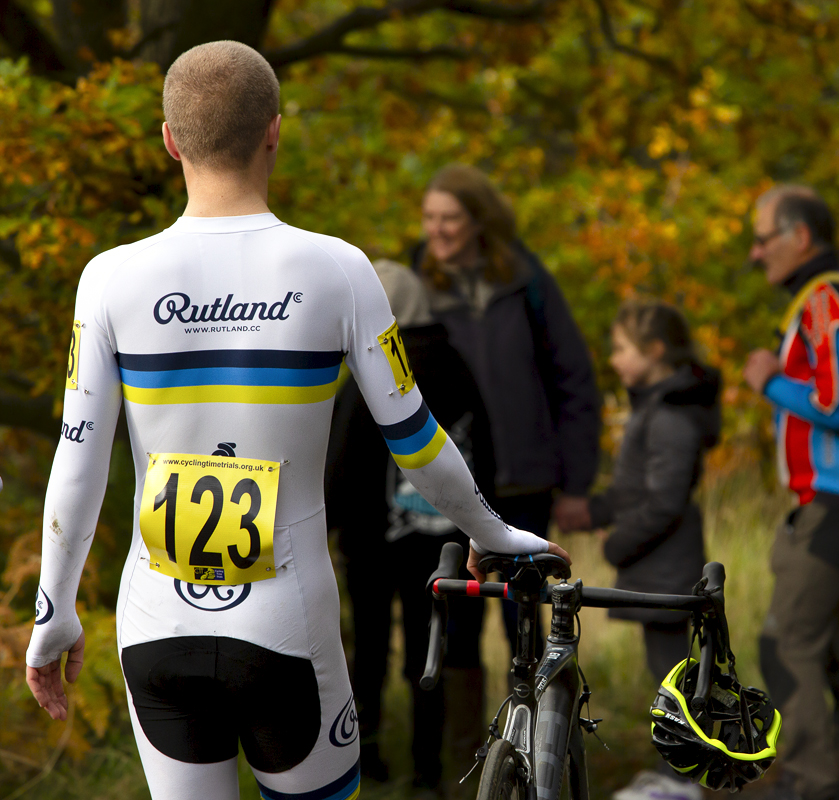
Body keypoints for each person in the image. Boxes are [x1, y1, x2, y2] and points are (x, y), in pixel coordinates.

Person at [23, 41, 568, 800]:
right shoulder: (339, 269)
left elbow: (76, 459)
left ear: (169, 139)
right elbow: (415, 441)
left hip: (156, 627)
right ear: (274, 130)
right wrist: (492, 534)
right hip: (287, 625)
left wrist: (54, 611)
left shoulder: (108, 278)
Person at [742, 186, 839, 800]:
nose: (755, 255)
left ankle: (813, 783)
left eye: (762, 239)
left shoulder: (825, 300)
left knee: (784, 643)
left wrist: (770, 383)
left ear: (799, 237)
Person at [413, 164, 601, 656]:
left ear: (479, 221)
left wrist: (576, 483)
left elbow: (573, 378)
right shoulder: (413, 288)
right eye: (429, 217)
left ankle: (536, 726)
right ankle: (465, 735)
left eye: (449, 218)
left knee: (525, 620)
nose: (437, 230)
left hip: (527, 483)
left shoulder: (526, 281)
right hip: (452, 483)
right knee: (455, 623)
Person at [325, 260, 490, 793]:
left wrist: (324, 523)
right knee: (431, 650)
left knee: (369, 649)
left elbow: (344, 459)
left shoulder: (372, 369)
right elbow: (482, 449)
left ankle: (365, 756)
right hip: (444, 545)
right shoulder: (458, 368)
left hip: (372, 540)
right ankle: (428, 769)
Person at [564, 300, 721, 800]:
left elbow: (664, 501)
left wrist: (616, 542)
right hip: (659, 564)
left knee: (675, 678)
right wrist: (593, 512)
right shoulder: (655, 405)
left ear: (654, 351)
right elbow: (639, 491)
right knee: (669, 673)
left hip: (667, 567)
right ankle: (678, 775)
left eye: (621, 349)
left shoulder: (670, 415)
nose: (614, 359)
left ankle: (685, 782)